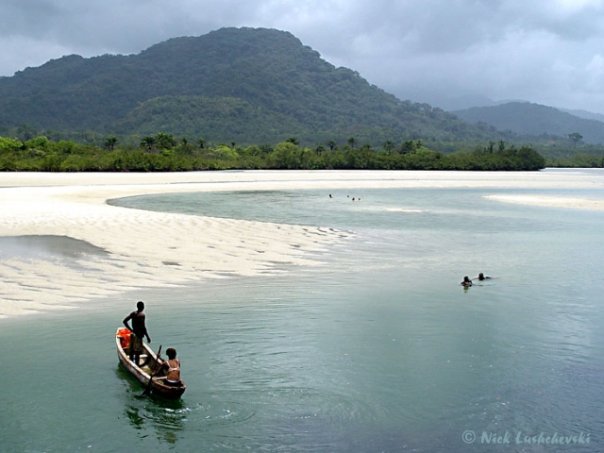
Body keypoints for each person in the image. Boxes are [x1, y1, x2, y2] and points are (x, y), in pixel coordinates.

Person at [123, 301, 151, 365]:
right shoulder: (142, 315)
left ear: (137, 307)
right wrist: (147, 337)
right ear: (143, 307)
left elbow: (124, 321)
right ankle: (137, 365)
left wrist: (131, 330)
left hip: (133, 334)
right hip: (138, 335)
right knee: (138, 352)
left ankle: (131, 363)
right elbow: (143, 327)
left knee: (132, 350)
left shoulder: (133, 313)